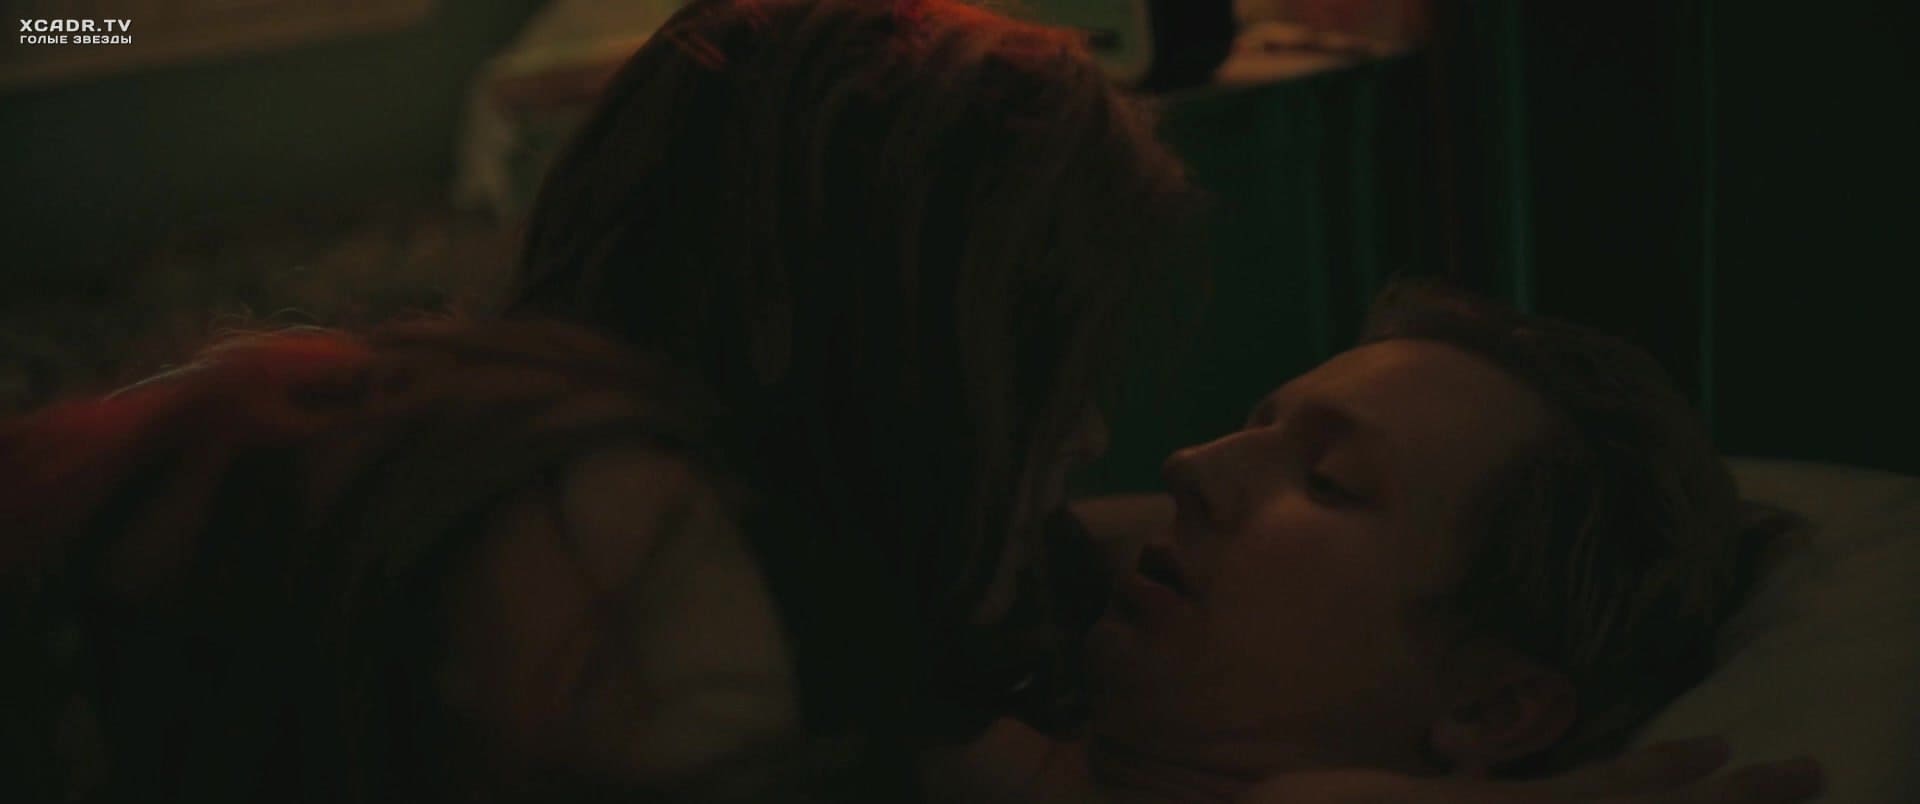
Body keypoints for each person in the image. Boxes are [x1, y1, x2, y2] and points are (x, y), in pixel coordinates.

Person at [933, 282, 1820, 803]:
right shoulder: (921, 709)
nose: (1190, 465)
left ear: (1492, 711)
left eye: (1328, 481)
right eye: (1251, 429)